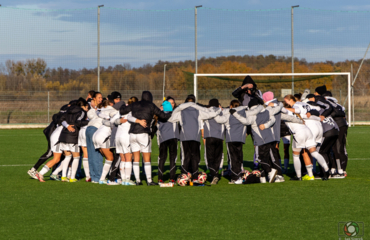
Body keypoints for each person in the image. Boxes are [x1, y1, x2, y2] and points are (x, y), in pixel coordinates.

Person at [120, 91, 171, 186]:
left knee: (136, 158)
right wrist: (171, 112)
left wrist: (122, 105)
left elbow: (122, 111)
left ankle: (138, 181)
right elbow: (163, 116)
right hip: (143, 133)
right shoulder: (151, 105)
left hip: (132, 133)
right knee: (146, 158)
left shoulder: (134, 104)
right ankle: (149, 180)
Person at [167, 95, 221, 183]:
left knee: (186, 157)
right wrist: (218, 110)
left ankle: (184, 176)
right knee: (195, 157)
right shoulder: (198, 111)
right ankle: (195, 178)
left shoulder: (181, 111)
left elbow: (170, 118)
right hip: (195, 138)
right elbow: (210, 114)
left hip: (184, 138)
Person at [283, 94, 330, 181]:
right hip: (311, 128)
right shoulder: (303, 104)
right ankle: (326, 170)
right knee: (313, 152)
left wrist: (282, 109)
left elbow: (296, 111)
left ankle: (299, 176)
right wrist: (318, 119)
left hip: (303, 129)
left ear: (289, 101)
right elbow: (315, 111)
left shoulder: (288, 110)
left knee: (296, 155)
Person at [27, 104, 68, 179]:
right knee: (50, 153)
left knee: (59, 154)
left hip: (53, 133)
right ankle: (33, 169)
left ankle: (54, 173)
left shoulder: (61, 114)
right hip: (51, 134)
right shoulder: (62, 115)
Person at [58, 98, 89, 182]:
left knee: (67, 157)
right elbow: (78, 122)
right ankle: (72, 178)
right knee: (76, 157)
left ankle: (64, 177)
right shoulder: (82, 112)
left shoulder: (68, 110)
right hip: (73, 136)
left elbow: (61, 119)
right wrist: (90, 122)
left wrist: (67, 126)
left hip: (63, 136)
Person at [115, 97, 138, 186]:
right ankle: (127, 180)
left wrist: (119, 121)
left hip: (118, 136)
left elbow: (114, 121)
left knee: (123, 158)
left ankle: (123, 179)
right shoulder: (133, 110)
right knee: (128, 158)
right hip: (126, 136)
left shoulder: (122, 109)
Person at [202, 99, 224, 185]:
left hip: (210, 137)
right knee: (217, 157)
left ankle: (214, 174)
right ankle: (216, 173)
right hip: (219, 137)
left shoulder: (206, 111)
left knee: (210, 157)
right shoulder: (222, 112)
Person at [156, 100, 179, 184]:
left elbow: (157, 127)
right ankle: (172, 179)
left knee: (162, 158)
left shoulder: (159, 115)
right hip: (173, 138)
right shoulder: (174, 114)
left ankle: (160, 179)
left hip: (163, 139)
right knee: (172, 158)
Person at [86, 92, 104, 183]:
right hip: (94, 130)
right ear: (94, 99)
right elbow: (91, 115)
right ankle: (98, 177)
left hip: (89, 130)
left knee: (92, 154)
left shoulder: (100, 108)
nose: (101, 99)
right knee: (96, 154)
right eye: (99, 97)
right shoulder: (93, 110)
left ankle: (93, 177)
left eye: (101, 97)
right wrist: (96, 109)